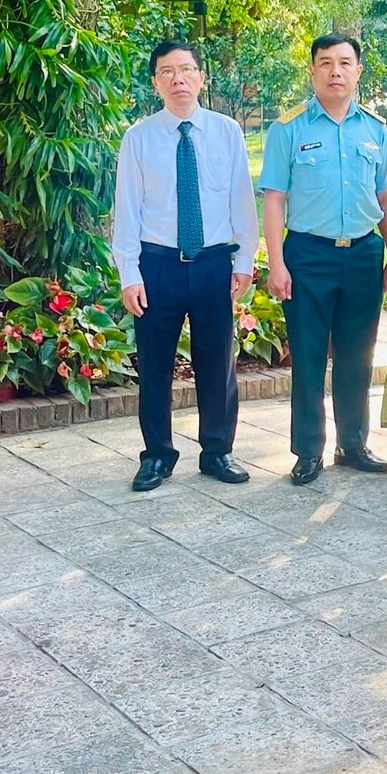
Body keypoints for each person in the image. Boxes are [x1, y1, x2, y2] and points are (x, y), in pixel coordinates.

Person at [112, 40, 258, 493]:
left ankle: (218, 451)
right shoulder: (138, 138)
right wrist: (129, 274)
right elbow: (127, 211)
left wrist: (244, 260)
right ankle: (157, 455)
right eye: (168, 72)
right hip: (159, 267)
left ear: (201, 78)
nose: (178, 79)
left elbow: (241, 202)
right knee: (154, 365)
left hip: (214, 263)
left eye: (187, 70)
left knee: (217, 362)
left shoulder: (227, 132)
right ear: (156, 82)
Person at [261, 33, 387, 487]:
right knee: (306, 356)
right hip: (307, 256)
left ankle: (354, 444)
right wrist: (277, 263)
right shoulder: (290, 128)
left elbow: (386, 196)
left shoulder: (376, 130)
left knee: (358, 356)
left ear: (358, 71)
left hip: (363, 253)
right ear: (313, 71)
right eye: (325, 63)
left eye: (345, 63)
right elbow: (275, 199)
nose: (335, 71)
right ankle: (307, 451)